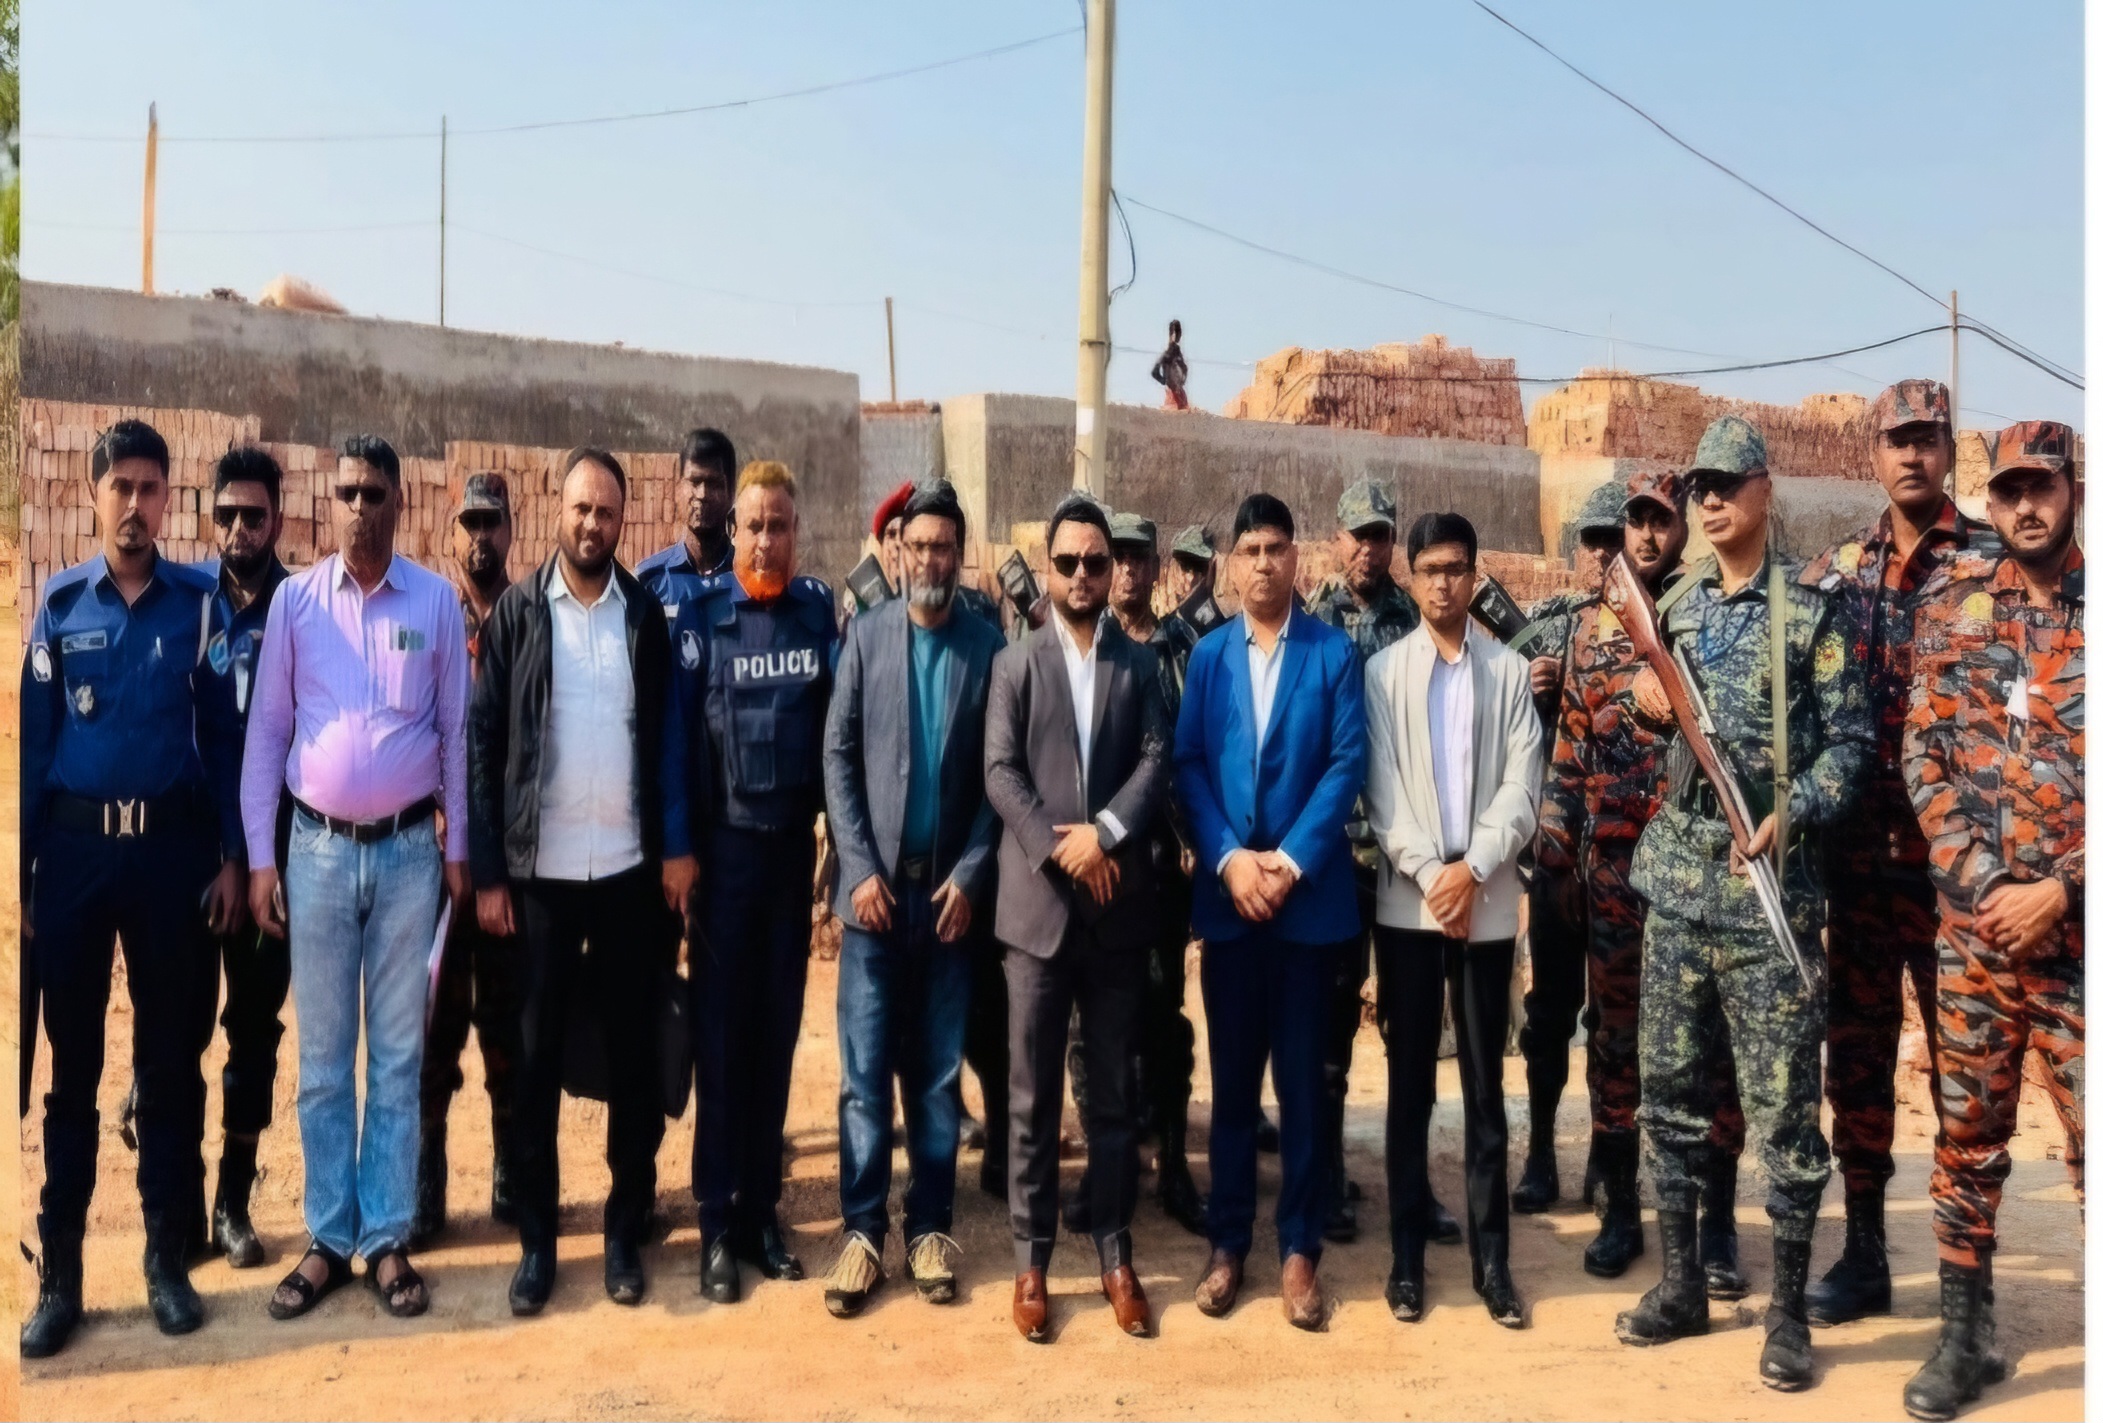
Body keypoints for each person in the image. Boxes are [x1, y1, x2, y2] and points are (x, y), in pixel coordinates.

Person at [1615, 416, 1872, 1392]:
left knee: (1784, 1116)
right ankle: (1682, 1283)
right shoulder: (1674, 604)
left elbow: (1850, 746)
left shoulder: (1810, 610)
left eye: (1728, 483)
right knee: (1669, 1098)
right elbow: (1654, 706)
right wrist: (1646, 701)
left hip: (1769, 893)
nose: (1712, 500)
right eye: (1700, 488)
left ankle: (1788, 1313)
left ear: (1766, 488)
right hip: (1678, 884)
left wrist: (1792, 807)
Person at [19, 419, 244, 1356]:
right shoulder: (58, 605)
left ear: (168, 500)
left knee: (166, 1067)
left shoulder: (199, 606)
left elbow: (225, 743)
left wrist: (232, 855)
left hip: (169, 860)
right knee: (71, 1075)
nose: (136, 505)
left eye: (152, 489)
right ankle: (61, 1277)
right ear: (94, 492)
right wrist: (27, 880)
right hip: (75, 860)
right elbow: (34, 749)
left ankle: (165, 1261)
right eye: (122, 487)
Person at [244, 433, 472, 1323]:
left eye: (376, 493)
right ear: (328, 501)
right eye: (347, 492)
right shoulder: (296, 603)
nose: (360, 507)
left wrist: (459, 850)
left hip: (412, 854)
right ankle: (328, 1235)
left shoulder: (435, 603)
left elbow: (454, 732)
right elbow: (269, 733)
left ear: (399, 502)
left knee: (400, 1056)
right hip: (318, 852)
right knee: (324, 1059)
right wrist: (261, 858)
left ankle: (384, 1236)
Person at [1898, 419, 2083, 1423]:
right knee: (1967, 1139)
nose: (2024, 506)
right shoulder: (1955, 606)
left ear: (2073, 491)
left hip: (2082, 944)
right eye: (2007, 489)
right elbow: (1922, 756)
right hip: (1976, 940)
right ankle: (1963, 1338)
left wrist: (2062, 888)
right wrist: (1984, 884)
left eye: (2040, 486)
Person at [1799, 380, 1993, 1327]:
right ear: (1870, 454)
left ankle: (1967, 1277)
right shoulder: (1835, 571)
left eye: (1926, 438)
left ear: (1949, 449)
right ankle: (1865, 1247)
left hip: (1956, 874)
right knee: (1857, 1059)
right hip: (1858, 865)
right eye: (1895, 439)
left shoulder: (1993, 564)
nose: (1911, 454)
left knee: (1967, 1074)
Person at [470, 449, 673, 1313]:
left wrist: (672, 851)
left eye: (607, 512)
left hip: (627, 872)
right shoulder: (519, 615)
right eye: (582, 508)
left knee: (632, 1055)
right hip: (540, 881)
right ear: (559, 510)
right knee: (535, 1060)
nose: (593, 524)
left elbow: (664, 738)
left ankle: (624, 1229)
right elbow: (482, 745)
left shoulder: (643, 616)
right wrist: (489, 873)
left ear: (623, 520)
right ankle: (538, 1243)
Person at [1537, 471, 1746, 1286]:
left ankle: (1716, 1221)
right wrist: (1557, 852)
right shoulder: (1592, 627)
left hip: (1696, 878)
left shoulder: (1707, 612)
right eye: (1636, 520)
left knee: (1711, 1051)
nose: (1648, 535)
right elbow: (1569, 750)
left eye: (1661, 519)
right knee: (1614, 1042)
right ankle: (1620, 1208)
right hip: (1617, 878)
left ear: (1681, 526)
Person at [1174, 493, 1365, 1331]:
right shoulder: (1208, 657)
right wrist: (1229, 858)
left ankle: (1297, 1249)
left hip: (1304, 909)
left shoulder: (1332, 654)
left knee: (1301, 1088)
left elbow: (1346, 762)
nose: (1262, 562)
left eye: (1274, 548)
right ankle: (1227, 1244)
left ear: (1297, 558)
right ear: (1231, 563)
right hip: (1230, 906)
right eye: (1248, 548)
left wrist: (1285, 862)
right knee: (1231, 1087)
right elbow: (1188, 765)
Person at [985, 495, 1172, 1341]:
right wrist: (1061, 848)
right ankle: (1031, 1260)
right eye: (1067, 563)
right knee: (1031, 1099)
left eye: (1097, 562)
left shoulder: (1139, 664)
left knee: (1111, 1098)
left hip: (1115, 910)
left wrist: (1106, 834)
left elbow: (1156, 760)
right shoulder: (1015, 664)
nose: (1083, 575)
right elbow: (999, 771)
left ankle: (1113, 1251)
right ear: (1048, 567)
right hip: (1036, 913)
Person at [820, 478, 1005, 1318]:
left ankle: (930, 1225)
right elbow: (838, 756)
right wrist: (858, 867)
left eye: (943, 547)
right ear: (897, 552)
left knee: (934, 1079)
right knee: (863, 1078)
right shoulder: (865, 636)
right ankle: (862, 1232)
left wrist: (971, 872)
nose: (929, 560)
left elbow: (1000, 777)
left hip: (948, 900)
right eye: (917, 545)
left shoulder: (987, 646)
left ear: (960, 555)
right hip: (875, 900)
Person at [1362, 511, 1542, 1330]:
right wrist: (1434, 875)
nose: (1443, 583)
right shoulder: (1383, 673)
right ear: (1410, 578)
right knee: (1408, 1087)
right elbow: (1382, 790)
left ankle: (1491, 1262)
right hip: (1410, 905)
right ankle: (1405, 1258)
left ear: (1475, 575)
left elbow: (1521, 787)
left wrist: (1471, 872)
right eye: (1429, 569)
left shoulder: (1507, 672)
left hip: (1486, 903)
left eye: (1456, 568)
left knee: (1483, 1090)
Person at [664, 459, 838, 1302]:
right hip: (722, 862)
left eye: (779, 525)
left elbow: (836, 736)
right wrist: (677, 849)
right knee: (721, 1041)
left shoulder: (816, 615)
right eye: (753, 525)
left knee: (774, 1038)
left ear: (796, 533)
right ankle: (715, 1219)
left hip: (787, 863)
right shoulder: (701, 619)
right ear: (731, 531)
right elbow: (673, 743)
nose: (765, 539)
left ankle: (763, 1211)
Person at [1306, 479, 1425, 1246]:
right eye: (1357, 533)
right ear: (1336, 538)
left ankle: (1412, 1185)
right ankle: (1327, 1179)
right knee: (1330, 1029)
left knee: (1409, 1031)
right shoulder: (1310, 620)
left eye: (1380, 534)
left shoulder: (1412, 618)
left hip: (1403, 851)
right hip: (1335, 855)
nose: (1368, 548)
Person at [1513, 480, 1629, 1217]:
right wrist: (1530, 690)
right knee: (1548, 1014)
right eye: (1591, 540)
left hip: (1623, 855)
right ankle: (1538, 1152)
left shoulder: (1653, 627)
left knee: (1616, 1021)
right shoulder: (1547, 624)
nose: (1602, 553)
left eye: (1613, 539)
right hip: (1557, 853)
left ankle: (1605, 1158)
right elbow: (1501, 724)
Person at [415, 472, 523, 1247]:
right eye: (469, 523)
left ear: (511, 530)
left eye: (492, 522)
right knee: (433, 1023)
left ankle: (511, 1171)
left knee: (508, 1021)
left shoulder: (530, 615)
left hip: (511, 856)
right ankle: (426, 1181)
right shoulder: (429, 616)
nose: (480, 536)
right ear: (450, 533)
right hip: (435, 858)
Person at [197, 446, 295, 1271]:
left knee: (253, 1030)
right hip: (192, 859)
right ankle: (171, 1204)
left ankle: (232, 1201)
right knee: (174, 1024)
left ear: (277, 520)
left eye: (253, 515)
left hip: (273, 863)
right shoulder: (186, 604)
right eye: (226, 514)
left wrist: (260, 858)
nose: (239, 528)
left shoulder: (302, 611)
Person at [636, 427, 738, 606]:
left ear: (731, 493)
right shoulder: (649, 581)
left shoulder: (748, 580)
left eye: (714, 483)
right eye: (695, 482)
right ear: (678, 489)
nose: (702, 494)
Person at [1151, 319, 1191, 411]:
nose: (1177, 335)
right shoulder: (1168, 353)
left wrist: (1182, 380)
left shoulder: (1178, 352)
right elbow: (1154, 372)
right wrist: (1166, 381)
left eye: (1179, 332)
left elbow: (1183, 370)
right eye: (1175, 332)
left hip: (1180, 394)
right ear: (1171, 334)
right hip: (1172, 396)